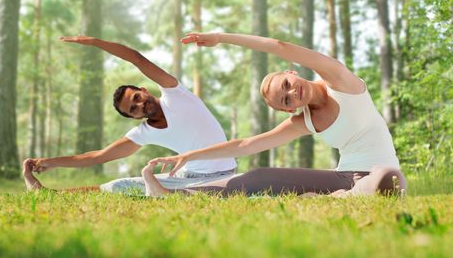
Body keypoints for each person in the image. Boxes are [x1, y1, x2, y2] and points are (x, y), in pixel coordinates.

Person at [142, 32, 406, 197]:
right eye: (285, 100)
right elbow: (245, 145)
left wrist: (221, 38)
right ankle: (170, 194)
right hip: (344, 176)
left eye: (287, 85)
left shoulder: (340, 80)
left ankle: (335, 198)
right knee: (259, 177)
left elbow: (279, 46)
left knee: (387, 178)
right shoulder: (304, 121)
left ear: (291, 73)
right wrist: (187, 156)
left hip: (381, 172)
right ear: (288, 110)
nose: (292, 93)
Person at [23, 36, 236, 194]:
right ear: (133, 117)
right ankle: (50, 194)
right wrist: (51, 162)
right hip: (188, 178)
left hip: (225, 174)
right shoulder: (144, 133)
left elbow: (136, 58)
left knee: (189, 194)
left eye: (136, 97)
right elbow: (98, 157)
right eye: (134, 109)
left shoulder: (175, 93)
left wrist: (95, 42)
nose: (140, 104)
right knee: (119, 186)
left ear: (144, 90)